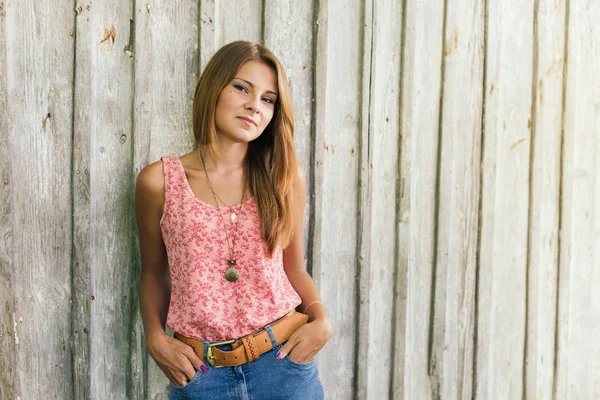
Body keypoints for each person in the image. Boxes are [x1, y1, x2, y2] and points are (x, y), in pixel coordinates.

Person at [134, 40, 332, 399]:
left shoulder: (283, 177)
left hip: (283, 365)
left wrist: (322, 320)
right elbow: (153, 272)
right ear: (214, 87)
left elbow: (294, 269)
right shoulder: (159, 182)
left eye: (268, 99)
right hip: (200, 374)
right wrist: (154, 337)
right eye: (242, 87)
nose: (254, 105)